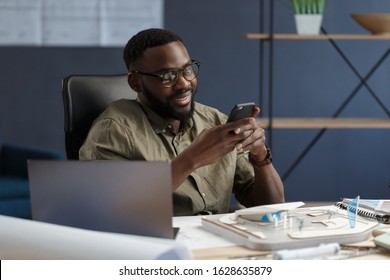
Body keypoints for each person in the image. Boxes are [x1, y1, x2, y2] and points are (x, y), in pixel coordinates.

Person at [79, 28, 285, 216]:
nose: (184, 83)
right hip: (158, 247)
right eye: (167, 76)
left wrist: (260, 155)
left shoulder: (214, 120)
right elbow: (108, 210)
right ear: (135, 82)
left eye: (187, 70)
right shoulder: (114, 130)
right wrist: (192, 159)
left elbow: (272, 207)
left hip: (216, 242)